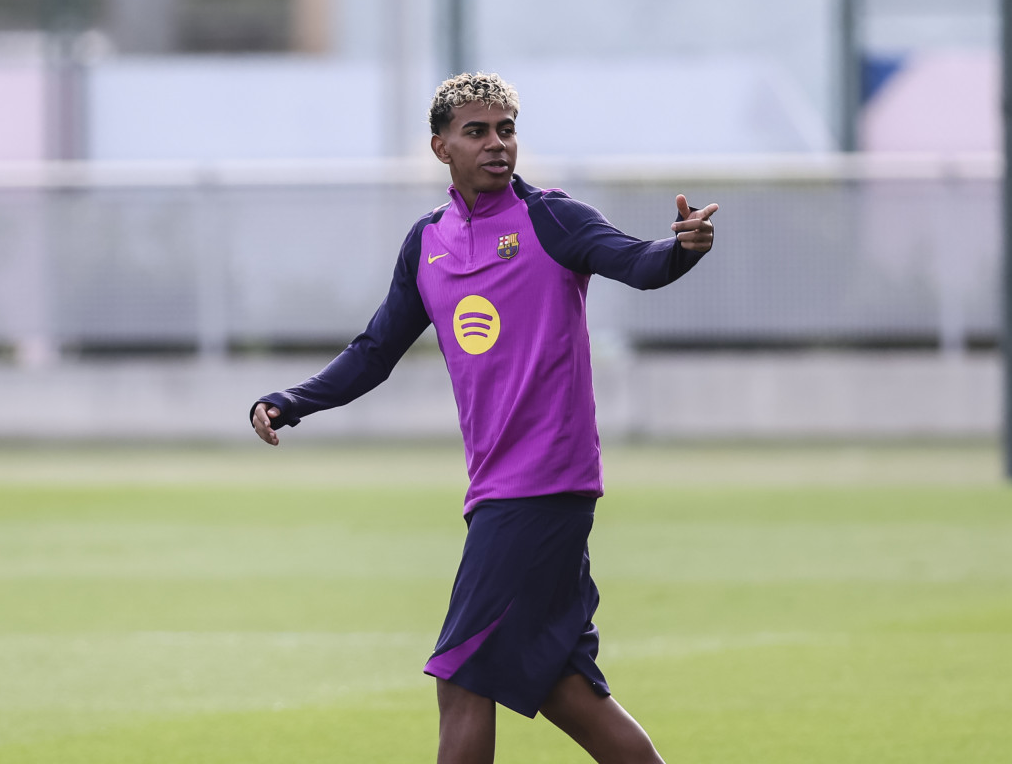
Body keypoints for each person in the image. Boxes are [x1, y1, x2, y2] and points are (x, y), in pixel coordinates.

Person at [251, 72, 717, 764]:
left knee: (462, 675)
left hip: (542, 486)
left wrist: (680, 248)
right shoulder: (428, 242)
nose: (497, 144)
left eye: (506, 130)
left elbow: (638, 262)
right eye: (477, 132)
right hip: (499, 491)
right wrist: (293, 401)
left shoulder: (552, 219)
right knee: (563, 687)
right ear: (441, 147)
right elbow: (376, 351)